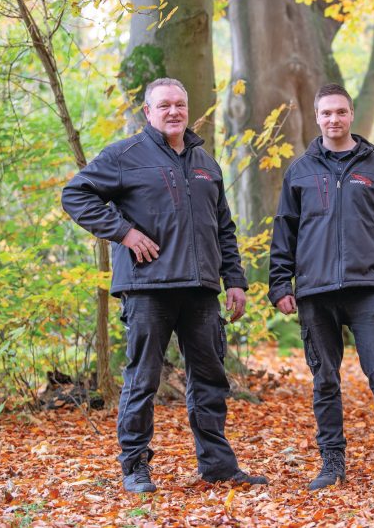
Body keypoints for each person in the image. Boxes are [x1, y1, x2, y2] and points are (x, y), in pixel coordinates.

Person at [61, 77, 266, 494]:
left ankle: (217, 466)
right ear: (148, 112)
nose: (174, 111)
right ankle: (134, 466)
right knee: (143, 379)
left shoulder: (206, 162)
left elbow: (223, 227)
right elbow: (75, 194)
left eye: (180, 104)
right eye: (164, 105)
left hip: (201, 290)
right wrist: (123, 233)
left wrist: (235, 281)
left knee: (210, 379)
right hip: (147, 287)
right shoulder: (125, 155)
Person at [269, 83, 374, 490]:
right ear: (318, 117)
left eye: (340, 112)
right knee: (324, 381)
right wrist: (280, 284)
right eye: (326, 113)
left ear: (351, 114)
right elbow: (284, 232)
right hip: (314, 292)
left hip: (367, 289)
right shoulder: (300, 171)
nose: (333, 120)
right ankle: (331, 463)